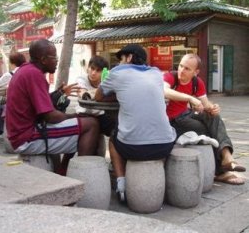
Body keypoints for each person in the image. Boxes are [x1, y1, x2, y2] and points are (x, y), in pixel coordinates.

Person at [95, 43, 176, 201]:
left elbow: (98, 96)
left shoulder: (117, 72)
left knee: (113, 137)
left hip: (132, 148)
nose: (119, 63)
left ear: (130, 57)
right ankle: (159, 180)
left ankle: (121, 184)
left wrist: (117, 92)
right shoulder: (156, 73)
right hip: (164, 147)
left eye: (122, 59)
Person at [6, 39, 99, 175]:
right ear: (43, 59)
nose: (56, 60)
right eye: (54, 57)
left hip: (20, 132)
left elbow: (38, 104)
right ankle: (81, 176)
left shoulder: (26, 70)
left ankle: (63, 171)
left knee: (76, 125)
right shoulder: (34, 74)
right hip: (26, 137)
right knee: (91, 124)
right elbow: (50, 116)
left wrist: (60, 93)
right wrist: (75, 116)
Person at [164, 53, 246, 185]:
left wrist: (213, 108)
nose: (181, 70)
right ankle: (220, 171)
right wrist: (190, 98)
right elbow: (164, 91)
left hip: (187, 114)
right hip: (172, 121)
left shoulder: (197, 82)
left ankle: (227, 156)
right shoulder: (170, 76)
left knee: (213, 117)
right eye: (180, 66)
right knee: (203, 129)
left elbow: (206, 105)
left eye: (187, 69)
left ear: (195, 72)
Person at [0, 52, 26, 134]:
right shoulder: (27, 72)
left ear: (11, 62)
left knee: (0, 106)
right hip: (24, 104)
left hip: (12, 104)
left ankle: (1, 130)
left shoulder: (8, 75)